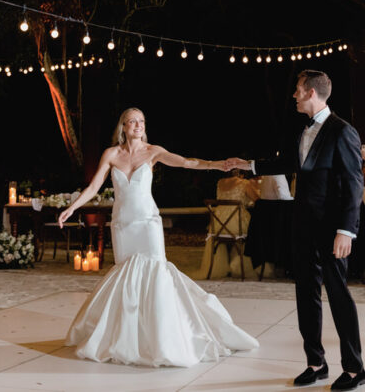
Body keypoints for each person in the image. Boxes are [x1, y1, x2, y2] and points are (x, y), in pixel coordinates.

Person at [58, 107, 257, 367]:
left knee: (156, 273)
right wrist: (72, 207)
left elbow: (186, 162)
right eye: (133, 121)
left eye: (141, 121)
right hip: (122, 225)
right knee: (126, 279)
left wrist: (217, 165)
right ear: (124, 127)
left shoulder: (154, 152)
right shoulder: (111, 154)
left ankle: (164, 338)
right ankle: (128, 338)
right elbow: (94, 186)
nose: (138, 125)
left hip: (147, 223)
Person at [240, 69, 365, 391]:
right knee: (305, 293)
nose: (294, 95)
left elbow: (354, 183)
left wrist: (346, 231)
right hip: (302, 226)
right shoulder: (302, 129)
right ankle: (316, 363)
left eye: (297, 90)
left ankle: (354, 369)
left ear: (311, 92)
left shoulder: (342, 131)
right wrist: (248, 165)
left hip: (332, 229)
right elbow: (289, 163)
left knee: (338, 294)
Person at [197, 169, 259, 279]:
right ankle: (245, 268)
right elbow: (256, 199)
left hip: (218, 224)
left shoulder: (220, 182)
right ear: (241, 173)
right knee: (255, 229)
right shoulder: (245, 183)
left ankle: (217, 269)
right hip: (236, 224)